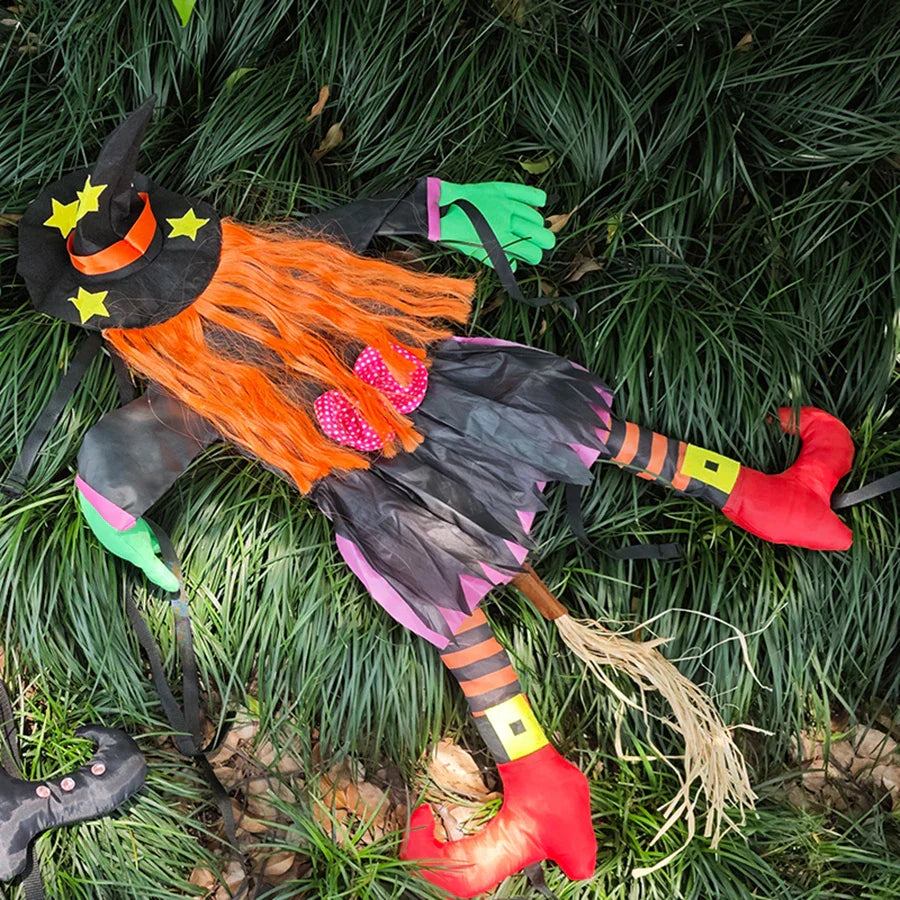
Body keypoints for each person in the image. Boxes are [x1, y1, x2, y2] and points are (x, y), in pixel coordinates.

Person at [16, 99, 855, 897]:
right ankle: (767, 498)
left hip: (377, 492)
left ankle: (540, 786)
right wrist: (449, 208)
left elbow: (125, 452)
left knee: (458, 614)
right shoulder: (278, 268)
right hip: (450, 400)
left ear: (124, 326)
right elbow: (360, 223)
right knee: (579, 433)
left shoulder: (192, 386)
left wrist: (112, 513)